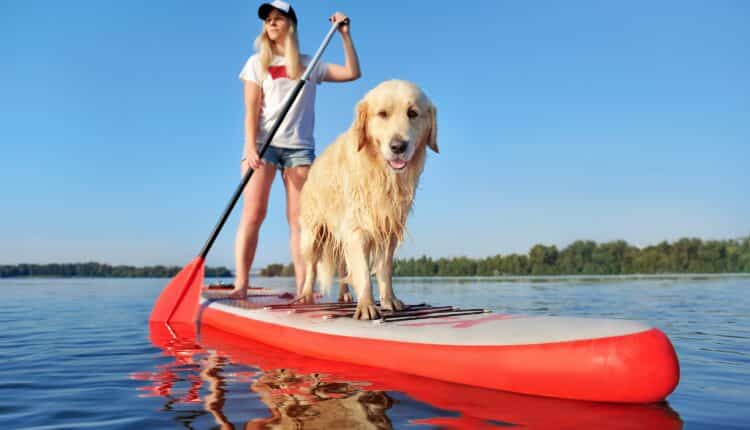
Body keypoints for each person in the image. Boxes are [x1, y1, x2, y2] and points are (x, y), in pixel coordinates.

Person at [230, 1, 361, 299]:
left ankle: (305, 288)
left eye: (278, 18)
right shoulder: (256, 63)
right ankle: (241, 284)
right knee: (253, 214)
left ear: (291, 24)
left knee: (300, 222)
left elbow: (353, 72)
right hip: (263, 147)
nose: (272, 24)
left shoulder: (309, 64)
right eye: (267, 20)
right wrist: (251, 147)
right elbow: (251, 110)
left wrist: (344, 35)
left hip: (299, 150)